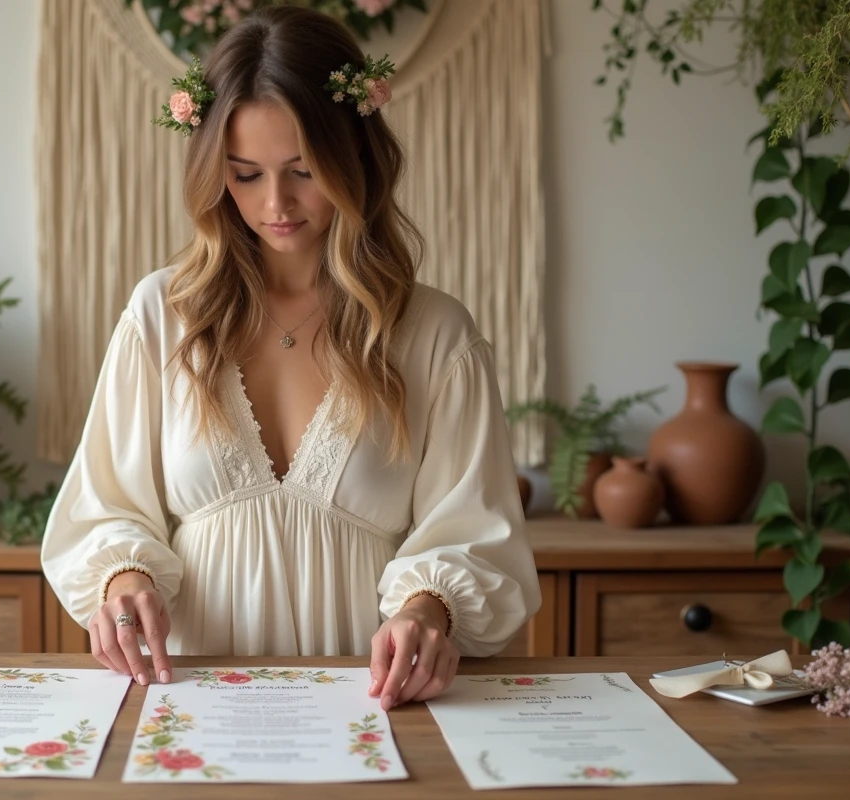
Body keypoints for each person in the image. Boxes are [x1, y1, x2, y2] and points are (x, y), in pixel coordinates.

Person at [41, 5, 540, 710]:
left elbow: (476, 536)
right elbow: (106, 506)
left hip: (372, 703)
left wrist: (429, 612)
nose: (276, 203)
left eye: (304, 170)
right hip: (192, 702)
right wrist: (124, 582)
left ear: (355, 157)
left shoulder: (435, 334)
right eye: (245, 174)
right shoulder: (163, 316)